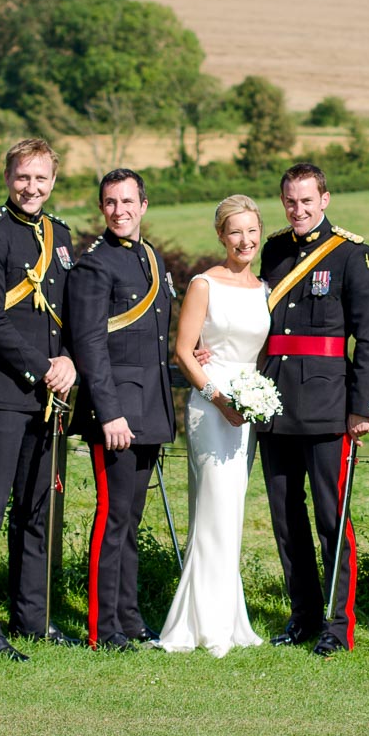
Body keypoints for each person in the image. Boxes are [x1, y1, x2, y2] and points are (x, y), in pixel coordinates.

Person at [256, 164, 369, 656]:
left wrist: (361, 407)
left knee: (332, 518)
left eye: (307, 201)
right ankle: (303, 615)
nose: (299, 209)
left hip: (329, 405)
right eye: (291, 201)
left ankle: (338, 625)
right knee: (286, 517)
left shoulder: (353, 254)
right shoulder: (273, 250)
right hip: (274, 402)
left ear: (325, 199)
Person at [0, 139, 76, 660]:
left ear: (54, 180)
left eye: (41, 179)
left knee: (37, 511)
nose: (32, 188)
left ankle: (34, 619)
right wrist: (44, 368)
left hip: (50, 396)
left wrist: (70, 359)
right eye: (23, 177)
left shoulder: (62, 236)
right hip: (4, 393)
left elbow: (78, 312)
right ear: (7, 177)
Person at [66, 169, 176, 651]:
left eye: (128, 201)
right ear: (101, 208)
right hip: (116, 414)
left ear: (144, 205)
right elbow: (89, 344)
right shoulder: (94, 265)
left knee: (131, 519)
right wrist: (109, 413)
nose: (120, 211)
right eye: (110, 202)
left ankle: (128, 618)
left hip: (149, 406)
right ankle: (101, 626)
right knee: (112, 519)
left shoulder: (150, 257)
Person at [161, 195, 271, 657]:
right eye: (235, 232)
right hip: (212, 406)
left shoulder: (265, 288)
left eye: (251, 231)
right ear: (222, 237)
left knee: (231, 511)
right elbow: (185, 351)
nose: (245, 240)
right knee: (214, 507)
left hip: (248, 406)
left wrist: (253, 399)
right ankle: (201, 625)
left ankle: (226, 617)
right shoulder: (205, 284)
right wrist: (217, 396)